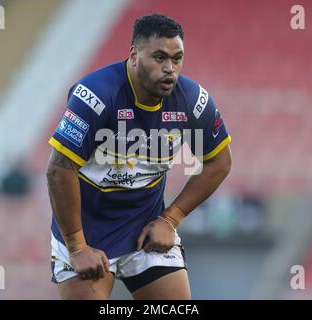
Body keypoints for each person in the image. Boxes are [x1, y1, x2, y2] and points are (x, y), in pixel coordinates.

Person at [46, 13, 232, 300]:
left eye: (177, 58)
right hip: (86, 233)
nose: (170, 68)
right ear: (134, 55)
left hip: (144, 228)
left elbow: (219, 162)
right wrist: (77, 247)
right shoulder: (96, 95)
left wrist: (171, 219)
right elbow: (59, 171)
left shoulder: (193, 100)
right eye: (159, 57)